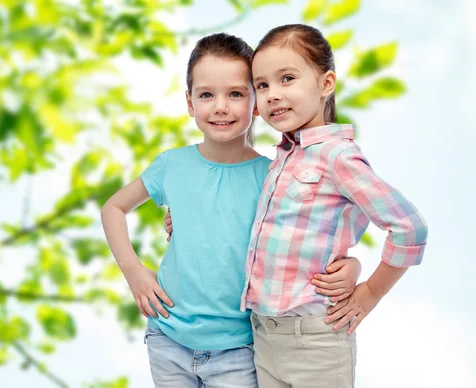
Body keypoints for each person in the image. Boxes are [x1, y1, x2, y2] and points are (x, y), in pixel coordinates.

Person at [101, 32, 361, 388]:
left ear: (256, 102)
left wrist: (352, 264)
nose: (220, 106)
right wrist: (133, 271)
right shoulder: (171, 165)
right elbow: (113, 208)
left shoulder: (273, 176)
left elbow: (314, 236)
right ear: (190, 103)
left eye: (236, 93)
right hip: (167, 338)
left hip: (241, 350)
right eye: (206, 94)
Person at [242, 24, 428, 388]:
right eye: (262, 85)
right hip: (264, 336)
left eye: (287, 78)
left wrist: (370, 291)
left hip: (316, 341)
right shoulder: (282, 159)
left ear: (326, 84)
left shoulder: (337, 156)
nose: (273, 95)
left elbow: (410, 227)